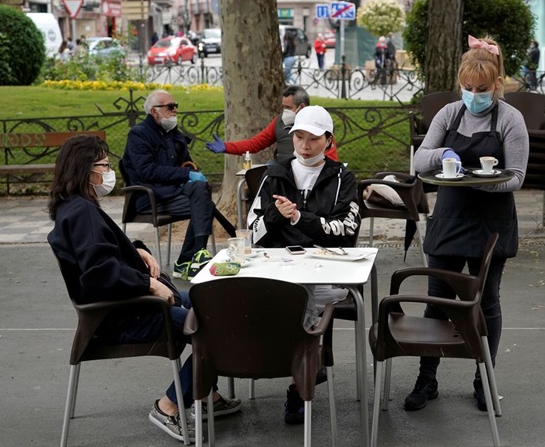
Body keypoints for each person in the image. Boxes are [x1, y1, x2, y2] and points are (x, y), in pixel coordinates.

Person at [47, 135, 241, 443]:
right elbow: (99, 274)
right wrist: (148, 284)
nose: (108, 172)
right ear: (86, 170)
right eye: (104, 166)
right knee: (217, 328)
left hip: (130, 305)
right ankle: (170, 405)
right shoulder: (82, 212)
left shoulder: (74, 207)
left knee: (214, 305)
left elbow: (103, 252)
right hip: (125, 315)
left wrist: (137, 250)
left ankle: (206, 396)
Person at [407, 34, 528, 413]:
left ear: (496, 85)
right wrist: (442, 153)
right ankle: (427, 379)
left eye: (481, 88)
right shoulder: (449, 114)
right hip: (450, 219)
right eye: (467, 87)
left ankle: (484, 382)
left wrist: (477, 180)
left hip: (491, 222)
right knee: (436, 302)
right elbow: (418, 161)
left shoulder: (511, 119)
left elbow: (517, 177)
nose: (473, 94)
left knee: (485, 302)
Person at [246, 105, 361, 425]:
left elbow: (346, 230)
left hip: (325, 268)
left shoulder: (343, 177)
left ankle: (297, 380)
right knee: (281, 293)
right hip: (279, 265)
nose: (304, 145)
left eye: (313, 138)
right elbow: (253, 229)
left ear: (329, 140)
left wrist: (298, 218)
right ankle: (305, 367)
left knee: (303, 296)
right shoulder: (274, 173)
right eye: (298, 137)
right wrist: (276, 215)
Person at [121, 90, 215, 280]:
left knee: (201, 194)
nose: (175, 110)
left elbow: (186, 164)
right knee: (206, 204)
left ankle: (190, 259)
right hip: (150, 197)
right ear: (154, 111)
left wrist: (191, 173)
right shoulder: (138, 134)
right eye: (170, 107)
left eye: (176, 106)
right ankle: (192, 257)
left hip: (173, 193)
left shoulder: (173, 134)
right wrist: (187, 174)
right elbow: (147, 170)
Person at [204, 86, 339, 163]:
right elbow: (254, 144)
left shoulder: (320, 123)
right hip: (283, 173)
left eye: (288, 107)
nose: (304, 145)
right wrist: (226, 147)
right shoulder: (279, 122)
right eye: (299, 137)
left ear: (302, 107)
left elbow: (331, 159)